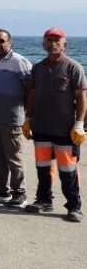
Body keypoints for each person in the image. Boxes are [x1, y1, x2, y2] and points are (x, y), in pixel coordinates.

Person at [23, 28, 86, 222]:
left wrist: (79, 123)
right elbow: (32, 95)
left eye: (57, 40)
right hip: (41, 128)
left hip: (65, 130)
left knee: (68, 171)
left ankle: (74, 206)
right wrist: (28, 118)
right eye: (49, 40)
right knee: (43, 168)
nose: (52, 43)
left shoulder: (73, 67)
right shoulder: (37, 68)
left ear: (64, 45)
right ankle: (44, 201)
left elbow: (81, 97)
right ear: (43, 44)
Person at [0, 29, 32, 208]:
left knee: (14, 157)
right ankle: (2, 189)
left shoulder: (18, 61)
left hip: (11, 118)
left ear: (10, 42)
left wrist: (29, 116)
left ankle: (20, 193)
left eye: (1, 41)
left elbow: (30, 89)